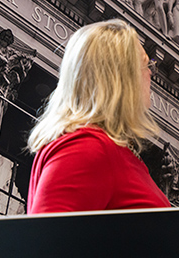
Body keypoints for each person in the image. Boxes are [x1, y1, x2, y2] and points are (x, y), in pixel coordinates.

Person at [26, 19, 171, 213]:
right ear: (120, 76)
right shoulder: (88, 148)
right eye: (146, 65)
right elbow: (45, 241)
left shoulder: (107, 149)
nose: (151, 74)